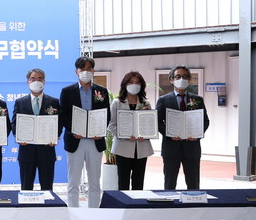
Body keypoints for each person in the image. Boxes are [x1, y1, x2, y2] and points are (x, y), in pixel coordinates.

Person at [59, 56, 110, 207]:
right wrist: (73, 130)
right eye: (82, 69)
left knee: (95, 181)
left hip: (95, 141)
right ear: (76, 71)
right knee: (73, 181)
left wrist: (99, 130)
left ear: (93, 71)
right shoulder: (67, 91)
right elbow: (63, 115)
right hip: (75, 140)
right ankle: (73, 212)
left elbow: (107, 115)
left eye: (89, 68)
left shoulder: (102, 91)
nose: (85, 72)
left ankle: (93, 213)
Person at [156, 65, 210, 189]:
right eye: (178, 76)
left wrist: (197, 134)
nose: (182, 79)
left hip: (192, 148)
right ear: (171, 80)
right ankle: (170, 201)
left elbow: (205, 121)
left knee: (193, 184)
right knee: (170, 184)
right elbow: (157, 122)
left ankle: (193, 201)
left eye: (185, 76)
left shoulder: (197, 100)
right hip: (171, 148)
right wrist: (169, 133)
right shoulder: (163, 100)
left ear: (189, 79)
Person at [11, 68, 62, 190]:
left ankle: (47, 203)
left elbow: (59, 122)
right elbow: (14, 123)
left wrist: (55, 136)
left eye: (40, 79)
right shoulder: (20, 102)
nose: (36, 81)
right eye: (33, 78)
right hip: (26, 150)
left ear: (44, 81)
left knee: (47, 188)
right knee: (26, 187)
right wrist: (18, 136)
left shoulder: (54, 102)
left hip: (47, 150)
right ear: (28, 82)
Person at [108, 71, 154, 190]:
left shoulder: (146, 103)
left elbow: (149, 124)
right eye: (131, 82)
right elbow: (111, 125)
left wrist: (146, 134)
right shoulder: (117, 102)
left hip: (141, 147)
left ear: (141, 85)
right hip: (122, 147)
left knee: (139, 182)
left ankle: (137, 202)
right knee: (123, 183)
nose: (134, 85)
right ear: (125, 84)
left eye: (137, 82)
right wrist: (124, 135)